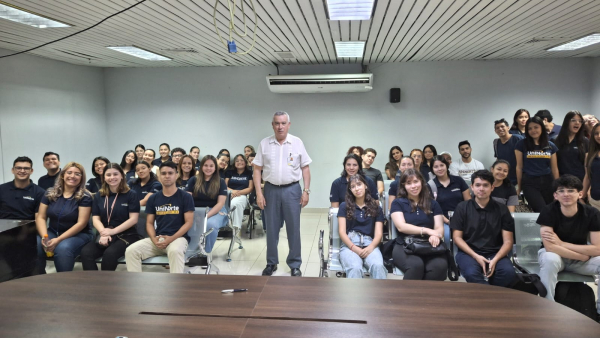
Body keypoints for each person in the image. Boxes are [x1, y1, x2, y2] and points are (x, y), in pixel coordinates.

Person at [253, 111, 311, 277]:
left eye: (283, 123)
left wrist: (306, 191)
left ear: (289, 125)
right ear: (272, 125)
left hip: (292, 190)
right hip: (270, 190)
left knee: (293, 229)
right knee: (271, 229)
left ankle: (294, 264)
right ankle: (271, 263)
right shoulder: (264, 143)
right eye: (277, 123)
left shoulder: (297, 143)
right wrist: (259, 193)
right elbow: (257, 170)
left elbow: (305, 168)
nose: (280, 126)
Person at [537, 175, 600, 314]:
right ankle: (547, 308)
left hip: (579, 261)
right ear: (555, 195)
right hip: (558, 258)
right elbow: (550, 247)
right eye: (561, 191)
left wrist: (562, 243)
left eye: (571, 190)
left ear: (580, 194)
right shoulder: (548, 211)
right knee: (549, 258)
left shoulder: (592, 213)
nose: (566, 194)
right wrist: (582, 256)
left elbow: (598, 249)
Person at [125, 161, 195, 274]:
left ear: (176, 175)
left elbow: (188, 223)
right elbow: (149, 223)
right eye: (163, 173)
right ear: (159, 176)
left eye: (170, 173)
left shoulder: (185, 197)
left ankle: (176, 288)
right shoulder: (153, 198)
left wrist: (170, 239)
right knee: (131, 251)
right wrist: (154, 239)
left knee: (175, 251)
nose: (167, 176)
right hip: (158, 239)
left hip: (178, 239)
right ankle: (137, 286)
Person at [451, 170, 516, 287]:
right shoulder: (462, 208)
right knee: (472, 273)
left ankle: (492, 299)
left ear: (492, 187)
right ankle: (487, 301)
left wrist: (495, 260)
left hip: (495, 253)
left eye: (485, 185)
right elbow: (457, 238)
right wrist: (476, 256)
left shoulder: (502, 209)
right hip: (469, 253)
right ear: (472, 187)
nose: (481, 189)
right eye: (478, 185)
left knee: (508, 273)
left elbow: (508, 241)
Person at [80, 163, 141, 271]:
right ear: (104, 177)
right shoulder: (99, 195)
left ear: (122, 175)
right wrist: (103, 232)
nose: (112, 177)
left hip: (126, 235)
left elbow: (133, 219)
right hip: (104, 234)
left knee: (110, 254)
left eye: (115, 174)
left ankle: (106, 285)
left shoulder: (131, 194)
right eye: (108, 175)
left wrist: (112, 232)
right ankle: (93, 283)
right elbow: (96, 219)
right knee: (86, 253)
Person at [35, 162, 93, 273]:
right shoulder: (49, 192)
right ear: (62, 175)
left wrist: (58, 240)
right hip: (52, 232)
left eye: (77, 174)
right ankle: (39, 278)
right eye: (69, 172)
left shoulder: (85, 196)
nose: (72, 176)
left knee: (63, 249)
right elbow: (41, 217)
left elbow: (81, 223)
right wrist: (44, 237)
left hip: (79, 234)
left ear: (82, 178)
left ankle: (64, 282)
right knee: (36, 244)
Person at [390, 169, 446, 280]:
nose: (413, 186)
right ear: (403, 186)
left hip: (430, 244)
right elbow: (401, 226)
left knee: (439, 267)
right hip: (405, 244)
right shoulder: (398, 203)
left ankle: (427, 296)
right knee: (415, 265)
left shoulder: (433, 204)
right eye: (408, 183)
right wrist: (427, 231)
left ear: (421, 182)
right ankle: (408, 297)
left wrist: (435, 235)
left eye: (416, 181)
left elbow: (439, 228)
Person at [338, 174, 386, 279]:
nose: (357, 188)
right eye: (353, 186)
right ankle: (354, 296)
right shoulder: (344, 206)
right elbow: (342, 232)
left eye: (359, 184)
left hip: (370, 244)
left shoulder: (375, 207)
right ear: (350, 190)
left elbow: (378, 234)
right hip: (350, 245)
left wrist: (371, 247)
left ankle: (381, 295)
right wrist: (354, 248)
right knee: (355, 268)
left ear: (365, 186)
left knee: (378, 266)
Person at [515, 116, 559, 212]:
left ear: (541, 128)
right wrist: (519, 187)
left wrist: (558, 188)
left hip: (548, 182)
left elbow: (554, 169)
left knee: (551, 209)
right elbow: (519, 167)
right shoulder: (521, 144)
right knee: (541, 210)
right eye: (530, 128)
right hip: (530, 183)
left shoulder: (551, 145)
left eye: (536, 127)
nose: (533, 130)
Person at [186, 155, 228, 254]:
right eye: (205, 165)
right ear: (201, 167)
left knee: (210, 224)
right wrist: (195, 214)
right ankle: (189, 252)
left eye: (211, 166)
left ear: (215, 167)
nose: (208, 168)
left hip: (215, 210)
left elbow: (220, 203)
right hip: (195, 210)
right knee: (183, 222)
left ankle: (205, 254)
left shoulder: (221, 182)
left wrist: (205, 216)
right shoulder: (193, 180)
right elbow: (187, 199)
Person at [428, 155, 471, 246]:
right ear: (432, 169)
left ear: (446, 165)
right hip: (442, 220)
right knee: (447, 236)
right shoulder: (430, 185)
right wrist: (448, 221)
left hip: (462, 218)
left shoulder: (458, 180)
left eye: (442, 165)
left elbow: (468, 202)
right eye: (436, 167)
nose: (439, 169)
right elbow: (432, 208)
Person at [554, 111, 588, 182]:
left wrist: (586, 187)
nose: (577, 123)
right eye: (573, 120)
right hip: (562, 180)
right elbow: (553, 165)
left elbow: (587, 166)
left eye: (580, 121)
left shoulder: (585, 141)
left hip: (579, 181)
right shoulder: (555, 140)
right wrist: (557, 182)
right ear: (567, 122)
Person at [225, 154, 254, 231]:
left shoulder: (249, 172)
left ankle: (236, 227)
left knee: (235, 203)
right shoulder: (230, 172)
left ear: (245, 162)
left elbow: (250, 188)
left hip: (242, 196)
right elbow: (225, 186)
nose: (239, 162)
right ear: (234, 163)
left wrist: (238, 193)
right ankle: (225, 225)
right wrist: (232, 192)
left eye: (241, 160)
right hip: (229, 194)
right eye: (237, 161)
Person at [494, 118, 525, 185]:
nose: (500, 129)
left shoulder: (518, 139)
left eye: (502, 126)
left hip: (520, 178)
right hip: (504, 179)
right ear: (495, 131)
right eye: (497, 128)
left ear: (508, 128)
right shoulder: (496, 142)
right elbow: (498, 159)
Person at [584, 123, 600, 209]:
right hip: (595, 200)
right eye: (596, 133)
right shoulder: (589, 155)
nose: (599, 136)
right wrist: (582, 195)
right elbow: (587, 177)